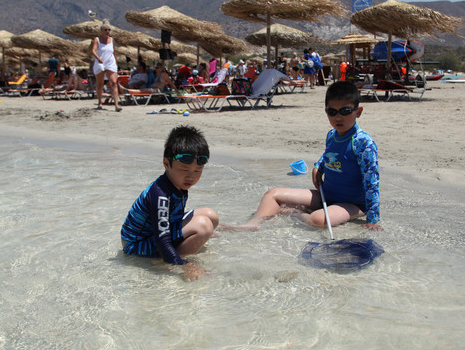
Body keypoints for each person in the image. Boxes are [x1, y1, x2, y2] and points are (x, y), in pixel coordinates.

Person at [221, 81, 382, 232]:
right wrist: (318, 167)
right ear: (326, 111)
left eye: (345, 111)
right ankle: (251, 225)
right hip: (327, 195)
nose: (338, 117)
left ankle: (294, 214)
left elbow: (372, 181)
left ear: (358, 112)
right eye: (332, 112)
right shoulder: (332, 135)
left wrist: (373, 219)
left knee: (318, 220)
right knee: (272, 195)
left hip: (353, 204)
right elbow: (329, 155)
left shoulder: (362, 142)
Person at [121, 126, 219, 281]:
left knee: (211, 216)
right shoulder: (160, 195)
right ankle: (167, 260)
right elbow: (163, 240)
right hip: (135, 246)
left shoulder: (176, 183)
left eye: (197, 170)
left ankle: (181, 248)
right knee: (204, 226)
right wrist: (185, 265)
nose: (191, 177)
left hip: (156, 232)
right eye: (185, 170)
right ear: (166, 163)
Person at [91, 20, 122, 111]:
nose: (107, 31)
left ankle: (116, 105)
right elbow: (93, 51)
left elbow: (114, 52)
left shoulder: (112, 40)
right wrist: (98, 58)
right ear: (101, 30)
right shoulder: (97, 39)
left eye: (109, 30)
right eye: (105, 30)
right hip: (100, 62)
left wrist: (116, 64)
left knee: (114, 83)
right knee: (100, 84)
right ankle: (100, 103)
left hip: (110, 62)